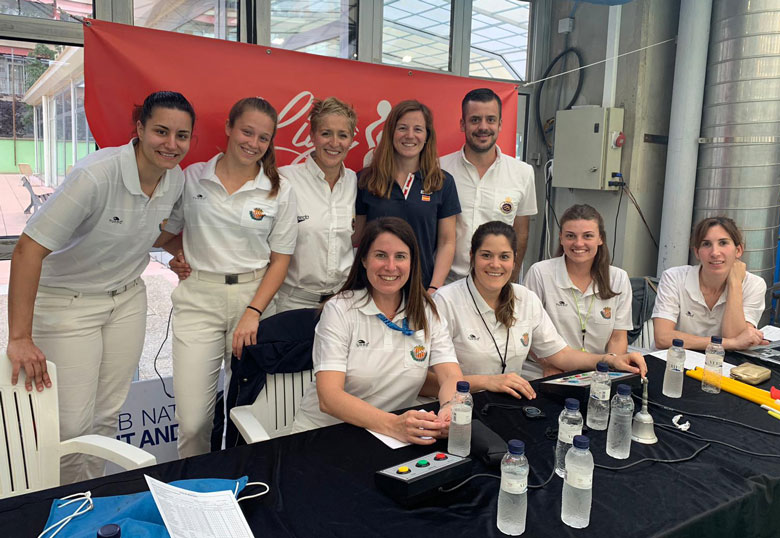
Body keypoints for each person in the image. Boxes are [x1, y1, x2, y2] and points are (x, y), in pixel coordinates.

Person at [6, 91, 195, 483]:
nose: (171, 144)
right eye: (161, 131)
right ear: (140, 128)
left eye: (182, 135)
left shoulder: (174, 180)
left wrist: (177, 251)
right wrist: (20, 337)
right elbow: (28, 249)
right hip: (67, 304)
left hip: (126, 298)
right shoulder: (96, 174)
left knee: (108, 413)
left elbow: (152, 231)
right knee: (71, 422)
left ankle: (89, 497)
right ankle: (54, 504)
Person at [156, 97, 298, 457]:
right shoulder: (191, 178)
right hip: (198, 299)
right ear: (229, 128)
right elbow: (161, 233)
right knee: (193, 422)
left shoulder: (279, 190)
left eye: (263, 138)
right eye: (247, 131)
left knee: (249, 414)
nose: (253, 143)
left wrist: (253, 311)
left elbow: (280, 259)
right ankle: (193, 494)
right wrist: (180, 254)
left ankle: (239, 488)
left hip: (253, 302)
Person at [292, 217, 465, 444]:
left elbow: (451, 375)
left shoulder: (427, 312)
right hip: (324, 436)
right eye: (380, 255)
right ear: (363, 259)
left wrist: (449, 408)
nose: (390, 266)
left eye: (400, 256)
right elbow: (329, 398)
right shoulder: (339, 310)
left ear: (413, 262)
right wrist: (394, 425)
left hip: (386, 438)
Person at [431, 221, 646, 400]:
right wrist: (487, 381)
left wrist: (610, 360)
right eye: (486, 255)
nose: (495, 265)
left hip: (508, 402)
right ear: (472, 256)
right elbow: (428, 380)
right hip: (456, 404)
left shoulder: (525, 298)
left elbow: (561, 355)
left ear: (515, 260)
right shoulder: (446, 301)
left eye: (504, 257)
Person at [355, 100, 460, 292]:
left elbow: (447, 242)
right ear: (391, 133)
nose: (410, 135)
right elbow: (357, 238)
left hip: (420, 290)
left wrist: (434, 288)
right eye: (402, 128)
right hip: (374, 288)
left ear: (427, 136)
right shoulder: (366, 180)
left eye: (418, 129)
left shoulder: (442, 182)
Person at [269, 97, 358, 314]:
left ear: (351, 139)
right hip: (292, 303)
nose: (334, 143)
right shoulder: (285, 180)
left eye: (343, 135)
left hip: (343, 303)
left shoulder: (357, 182)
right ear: (312, 136)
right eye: (326, 133)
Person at [440, 88, 536, 284]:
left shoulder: (523, 173)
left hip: (496, 285)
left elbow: (521, 233)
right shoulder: (439, 169)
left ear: (500, 124)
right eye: (475, 120)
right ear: (462, 124)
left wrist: (508, 281)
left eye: (491, 120)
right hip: (446, 284)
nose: (483, 127)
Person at [524, 204, 633, 374]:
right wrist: (549, 366)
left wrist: (609, 371)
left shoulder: (618, 278)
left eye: (588, 236)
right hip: (545, 369)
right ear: (561, 238)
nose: (579, 243)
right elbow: (528, 334)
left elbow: (618, 337)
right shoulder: (540, 273)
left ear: (600, 238)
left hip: (598, 370)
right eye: (570, 236)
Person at [652, 216, 767, 350]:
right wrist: (727, 344)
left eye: (723, 243)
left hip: (719, 364)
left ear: (738, 250)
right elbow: (662, 338)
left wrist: (735, 283)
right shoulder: (674, 277)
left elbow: (735, 337)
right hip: (671, 363)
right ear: (697, 252)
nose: (714, 253)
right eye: (706, 244)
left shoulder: (754, 285)